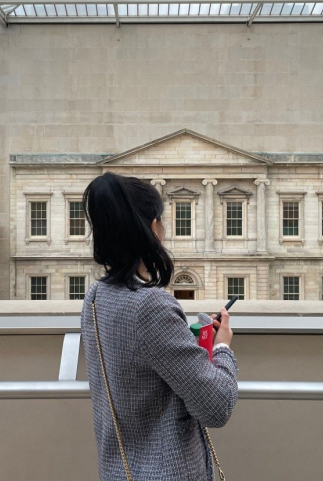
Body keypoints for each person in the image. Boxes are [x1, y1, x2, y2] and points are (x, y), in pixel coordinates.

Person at [81, 172, 238, 481]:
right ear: (153, 228)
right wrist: (222, 347)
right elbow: (217, 407)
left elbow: (142, 365)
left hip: (118, 470)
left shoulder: (95, 296)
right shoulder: (151, 305)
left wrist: (187, 343)